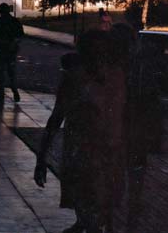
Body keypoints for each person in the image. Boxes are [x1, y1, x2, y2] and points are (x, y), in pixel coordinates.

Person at [34, 30, 127, 233]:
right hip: (107, 150)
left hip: (84, 152)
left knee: (88, 204)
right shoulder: (116, 75)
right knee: (100, 205)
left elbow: (56, 118)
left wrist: (41, 158)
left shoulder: (76, 78)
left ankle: (85, 224)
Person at [0, 2, 24, 103]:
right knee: (11, 73)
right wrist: (14, 43)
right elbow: (20, 35)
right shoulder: (15, 21)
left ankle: (0, 95)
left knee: (0, 74)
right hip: (11, 51)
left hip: (1, 50)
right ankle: (15, 92)